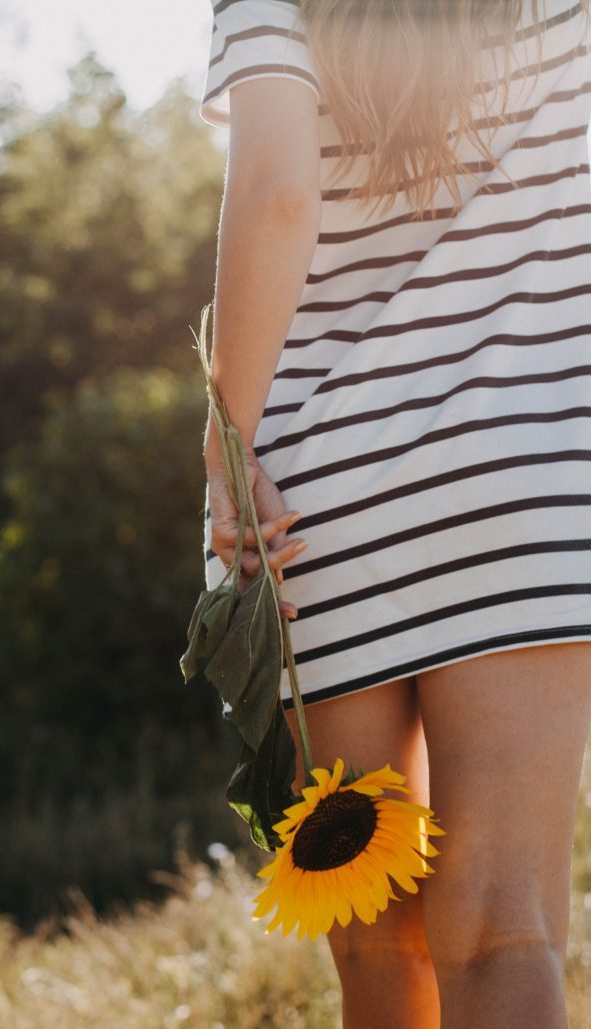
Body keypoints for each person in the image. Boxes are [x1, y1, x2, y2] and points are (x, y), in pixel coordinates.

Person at [198, 0, 591, 1026]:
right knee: (505, 929)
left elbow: (279, 195)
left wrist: (226, 443)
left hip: (317, 506)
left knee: (373, 938)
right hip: (528, 478)